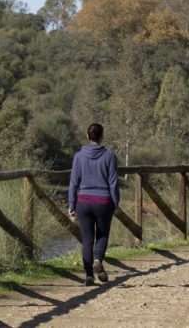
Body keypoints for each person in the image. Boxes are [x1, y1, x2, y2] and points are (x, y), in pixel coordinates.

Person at [67, 123, 120, 286]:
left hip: (83, 201)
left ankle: (89, 275)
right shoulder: (110, 155)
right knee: (102, 235)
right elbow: (113, 182)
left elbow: (73, 183)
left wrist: (71, 204)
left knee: (87, 239)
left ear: (87, 135)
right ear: (102, 135)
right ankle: (98, 259)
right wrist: (115, 202)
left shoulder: (79, 156)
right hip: (104, 201)